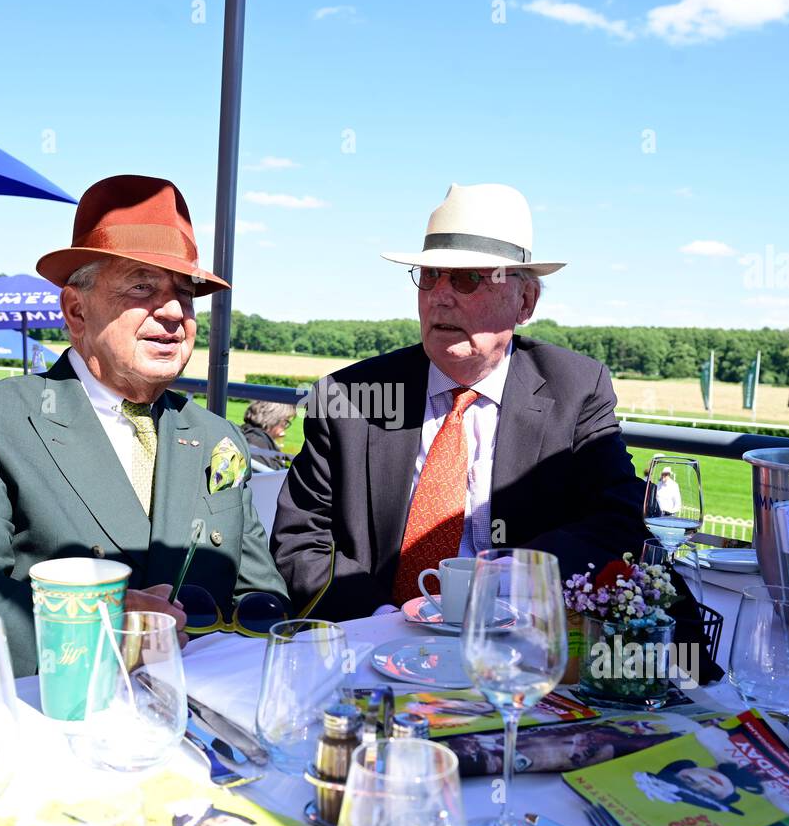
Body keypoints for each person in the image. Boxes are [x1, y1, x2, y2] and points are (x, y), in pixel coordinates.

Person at [0, 176, 289, 675]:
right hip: (56, 713)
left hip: (203, 719)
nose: (174, 312)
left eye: (185, 293)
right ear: (76, 310)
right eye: (142, 287)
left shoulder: (218, 436)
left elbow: (260, 599)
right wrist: (98, 625)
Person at [271, 182, 650, 621]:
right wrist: (380, 620)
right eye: (430, 276)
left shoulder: (576, 389)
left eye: (469, 278)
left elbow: (620, 519)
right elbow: (302, 538)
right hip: (371, 639)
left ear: (524, 301)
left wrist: (516, 579)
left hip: (515, 642)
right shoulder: (350, 398)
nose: (440, 296)